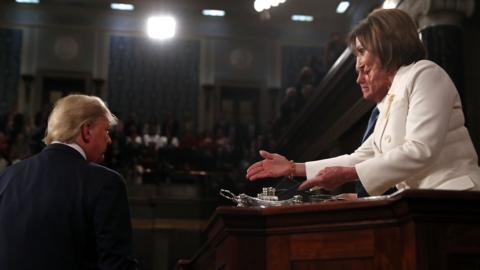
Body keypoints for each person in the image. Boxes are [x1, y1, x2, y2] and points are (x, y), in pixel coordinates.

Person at [246, 8, 480, 196]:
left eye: (361, 51)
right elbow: (360, 157)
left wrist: (348, 175)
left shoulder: (425, 73)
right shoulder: (388, 101)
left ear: (385, 44)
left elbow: (420, 149)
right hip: (425, 204)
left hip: (456, 197)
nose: (358, 64)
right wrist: (292, 167)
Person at [0, 95, 138, 270]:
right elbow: (116, 266)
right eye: (106, 131)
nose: (109, 140)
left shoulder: (7, 177)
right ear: (87, 131)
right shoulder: (106, 183)